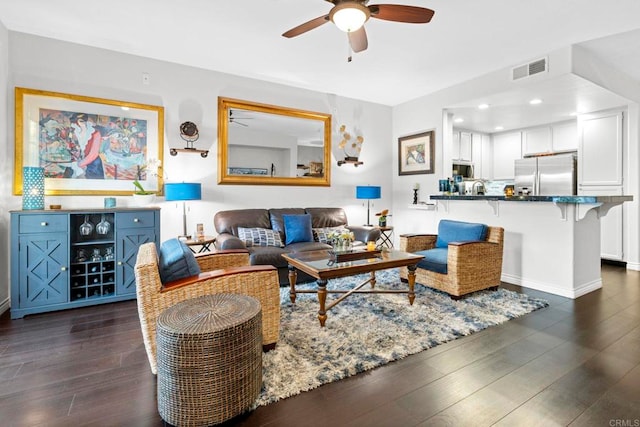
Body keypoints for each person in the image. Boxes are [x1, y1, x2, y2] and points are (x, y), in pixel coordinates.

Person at [70, 113, 104, 179]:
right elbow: (72, 148)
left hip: (93, 165)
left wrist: (80, 165)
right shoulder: (74, 132)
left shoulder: (95, 133)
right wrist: (75, 163)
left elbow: (93, 154)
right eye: (76, 121)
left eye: (82, 121)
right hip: (76, 164)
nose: (79, 124)